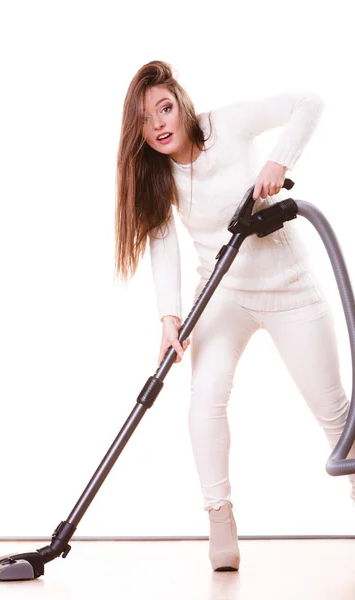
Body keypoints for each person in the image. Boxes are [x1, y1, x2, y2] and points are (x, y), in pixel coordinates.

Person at [114, 60, 355, 572]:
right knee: (205, 398)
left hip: (291, 288)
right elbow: (163, 248)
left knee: (335, 413)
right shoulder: (158, 176)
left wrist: (278, 162)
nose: (159, 124)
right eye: (145, 119)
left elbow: (308, 102)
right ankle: (219, 518)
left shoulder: (227, 125)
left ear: (181, 102)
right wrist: (169, 318)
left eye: (164, 108)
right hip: (222, 293)